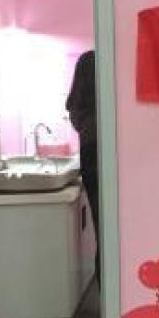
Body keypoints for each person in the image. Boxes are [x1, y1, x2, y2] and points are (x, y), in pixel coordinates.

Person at [66, 50, 99, 285]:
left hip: (92, 158)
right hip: (102, 160)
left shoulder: (88, 60)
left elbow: (74, 112)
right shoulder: (99, 60)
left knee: (104, 234)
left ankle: (107, 297)